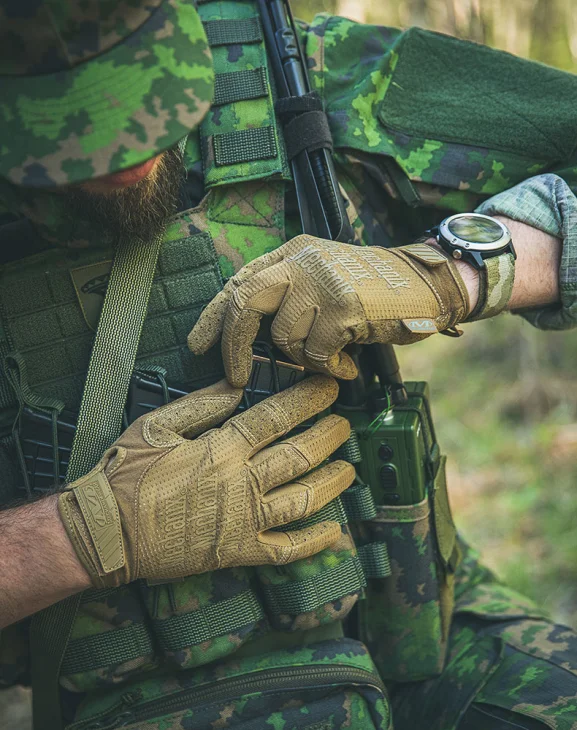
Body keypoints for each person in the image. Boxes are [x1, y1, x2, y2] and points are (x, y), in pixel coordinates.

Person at [1, 1, 577, 728]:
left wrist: (449, 273)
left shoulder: (294, 78)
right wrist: (78, 536)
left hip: (403, 639)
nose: (128, 149)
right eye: (69, 122)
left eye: (147, 89)